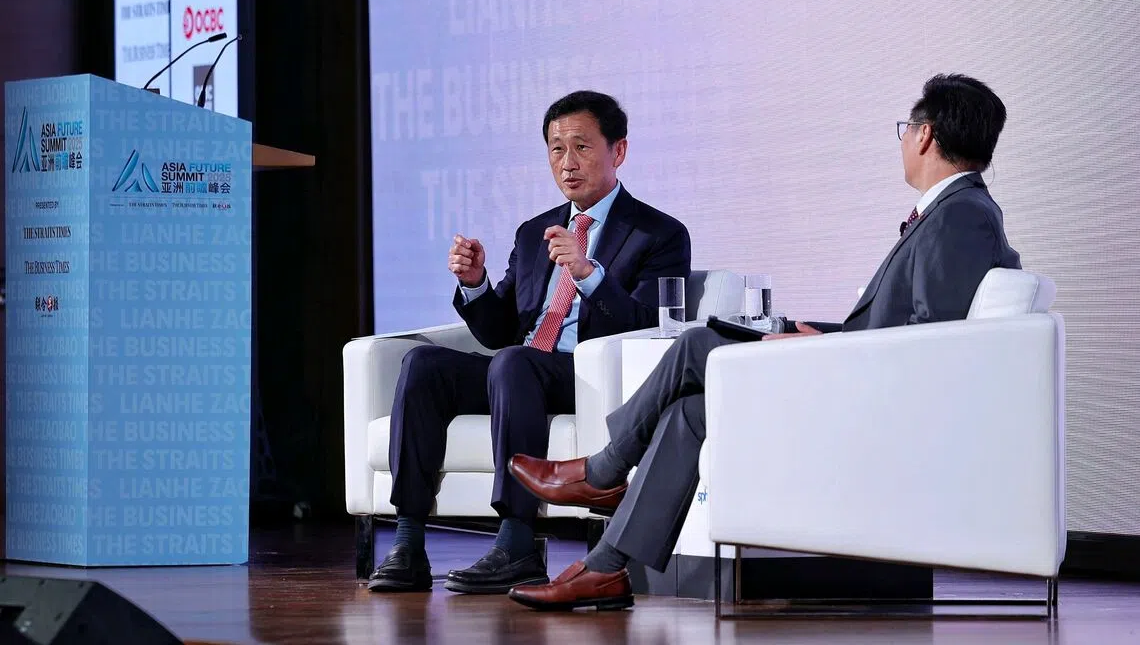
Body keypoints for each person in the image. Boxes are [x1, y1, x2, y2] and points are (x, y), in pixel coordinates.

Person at [506, 73, 1022, 611]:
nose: (903, 142)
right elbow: (904, 331)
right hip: (860, 374)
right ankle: (607, 568)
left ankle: (602, 470)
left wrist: (816, 351)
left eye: (905, 129)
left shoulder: (961, 216)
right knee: (688, 412)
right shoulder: (954, 213)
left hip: (874, 400)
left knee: (699, 343)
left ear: (925, 135)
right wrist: (818, 335)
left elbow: (929, 347)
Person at [367, 90, 692, 595]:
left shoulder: (659, 233)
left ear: (618, 151)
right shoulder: (534, 231)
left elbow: (653, 326)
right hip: (518, 373)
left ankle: (518, 544)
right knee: (424, 364)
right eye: (556, 149)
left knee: (515, 364)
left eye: (582, 147)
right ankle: (408, 544)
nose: (568, 163)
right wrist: (475, 283)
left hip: (584, 376)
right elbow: (500, 332)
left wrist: (590, 275)